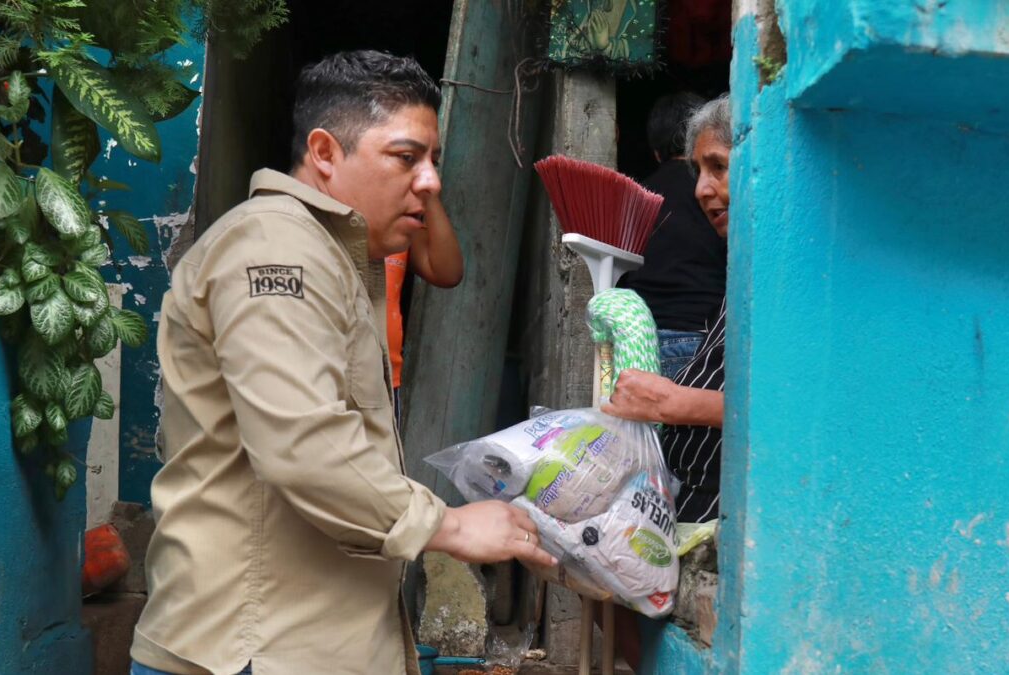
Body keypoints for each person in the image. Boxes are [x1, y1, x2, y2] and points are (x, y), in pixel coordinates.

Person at [130, 50, 555, 675]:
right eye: (407, 158)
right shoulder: (277, 249)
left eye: (434, 161)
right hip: (259, 650)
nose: (432, 181)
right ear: (326, 154)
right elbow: (303, 444)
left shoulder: (330, 252)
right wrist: (453, 528)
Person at [604, 94, 731, 523]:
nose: (700, 188)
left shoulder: (790, 283)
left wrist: (671, 402)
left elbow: (786, 410)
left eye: (719, 167)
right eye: (699, 171)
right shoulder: (739, 281)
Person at [619, 91, 728, 380]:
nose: (702, 189)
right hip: (701, 339)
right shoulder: (714, 196)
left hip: (641, 343)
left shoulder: (636, 195)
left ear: (656, 153)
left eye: (719, 166)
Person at [385, 190, 463, 425]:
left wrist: (427, 194)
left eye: (433, 162)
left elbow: (447, 271)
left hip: (384, 381)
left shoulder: (394, 220)